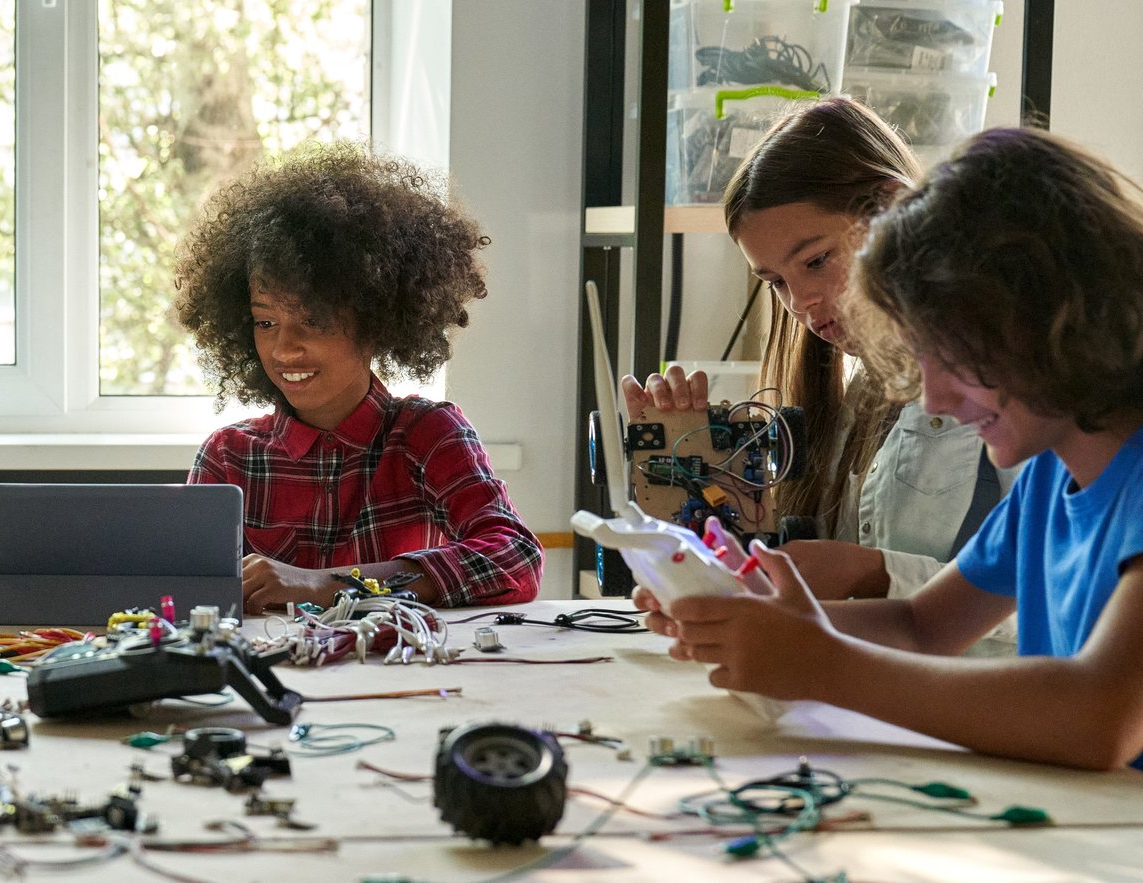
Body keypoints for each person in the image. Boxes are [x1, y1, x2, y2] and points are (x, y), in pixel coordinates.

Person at [640, 128, 1143, 771]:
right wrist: (744, 621)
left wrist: (822, 664)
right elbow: (920, 626)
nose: (932, 399)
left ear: (1057, 315)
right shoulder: (1051, 475)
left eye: (956, 352)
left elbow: (1099, 718)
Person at [623, 97, 1013, 651]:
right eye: (775, 282)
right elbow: (869, 613)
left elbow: (1047, 604)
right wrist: (696, 481)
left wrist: (871, 571)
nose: (801, 302)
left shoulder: (1019, 383)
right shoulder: (854, 394)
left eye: (814, 261)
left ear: (893, 209)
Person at [177, 141, 542, 612]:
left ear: (376, 321)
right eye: (265, 322)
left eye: (314, 319)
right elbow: (187, 593)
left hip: (403, 677)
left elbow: (516, 558)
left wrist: (330, 584)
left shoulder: (427, 436)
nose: (285, 347)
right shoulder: (230, 458)